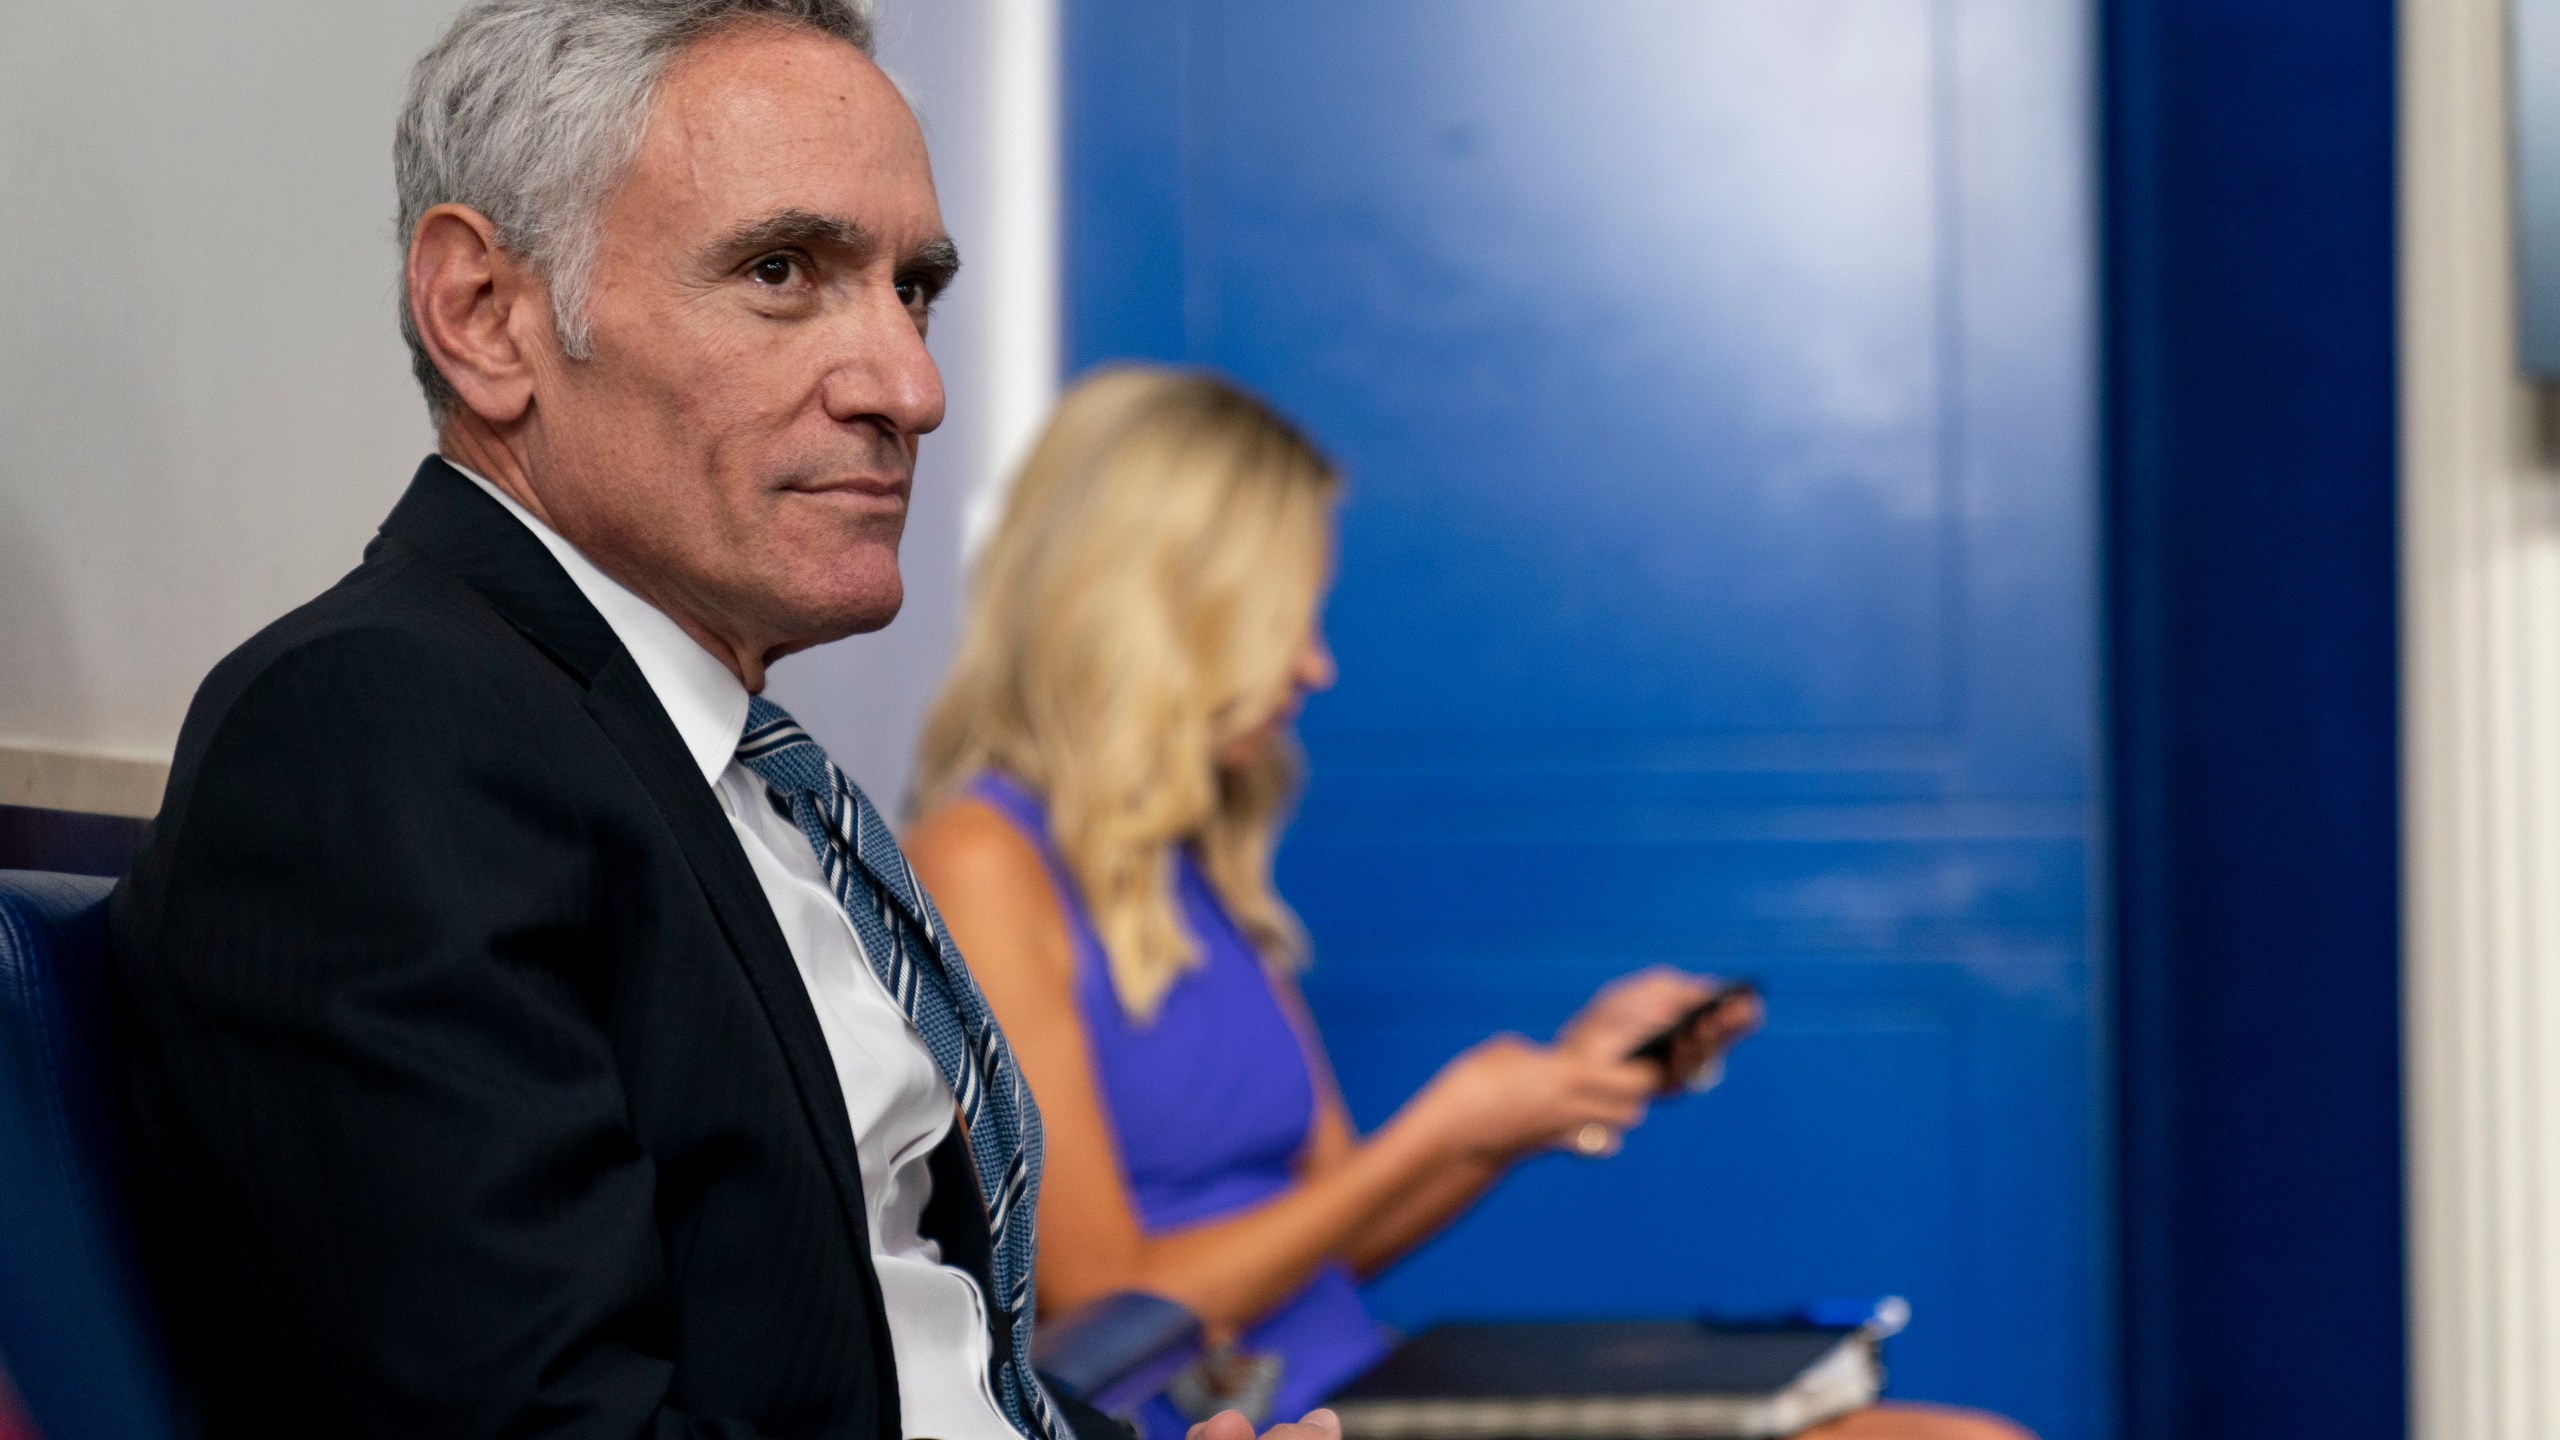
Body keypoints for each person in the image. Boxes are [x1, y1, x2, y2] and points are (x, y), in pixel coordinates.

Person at [106, 7, 1332, 1440]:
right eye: (782, 271)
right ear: (487, 315)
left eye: (914, 290)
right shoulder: (371, 730)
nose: (912, 389)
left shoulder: (734, 772)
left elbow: (907, 1348)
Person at [905, 368, 2036, 1440]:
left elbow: (1331, 1234)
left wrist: (1526, 1108)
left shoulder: (1192, 867)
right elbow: (1104, 1309)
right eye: (1284, 620)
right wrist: (1439, 1126)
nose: (1315, 668)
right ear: (1158, 611)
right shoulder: (980, 860)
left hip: (1357, 1381)